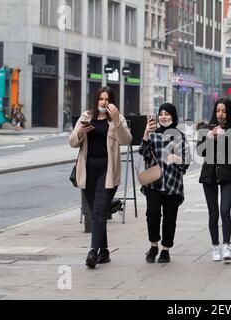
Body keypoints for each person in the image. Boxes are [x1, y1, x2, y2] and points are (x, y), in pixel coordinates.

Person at [69, 87, 132, 268]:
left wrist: (117, 121)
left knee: (97, 211)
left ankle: (93, 252)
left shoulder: (117, 119)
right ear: (96, 100)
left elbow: (126, 140)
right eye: (101, 99)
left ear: (112, 102)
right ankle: (104, 251)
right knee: (97, 212)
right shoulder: (86, 116)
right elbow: (72, 142)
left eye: (107, 99)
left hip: (108, 170)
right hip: (87, 170)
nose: (104, 102)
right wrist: (81, 132)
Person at [139, 103, 191, 263]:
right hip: (153, 182)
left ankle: (165, 249)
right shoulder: (153, 134)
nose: (163, 116)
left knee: (169, 218)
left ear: (173, 116)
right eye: (160, 113)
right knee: (152, 215)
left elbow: (187, 159)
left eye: (167, 114)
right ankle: (153, 245)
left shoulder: (180, 135)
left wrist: (178, 159)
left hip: (172, 183)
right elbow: (144, 153)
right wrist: (146, 133)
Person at [197, 98, 231, 263]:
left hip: (227, 175)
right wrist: (208, 138)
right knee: (213, 213)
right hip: (209, 175)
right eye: (218, 111)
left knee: (225, 211)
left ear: (229, 112)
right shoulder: (205, 128)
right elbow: (200, 152)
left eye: (224, 111)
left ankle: (226, 246)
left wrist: (224, 137)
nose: (220, 114)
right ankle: (215, 246)